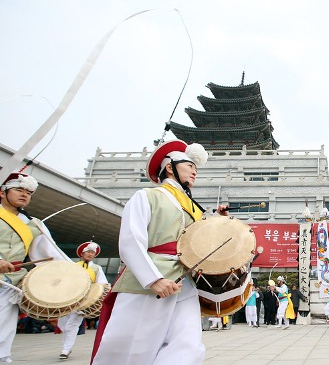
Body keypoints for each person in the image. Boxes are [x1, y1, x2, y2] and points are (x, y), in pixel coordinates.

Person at [92, 140, 225, 364]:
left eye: (196, 167)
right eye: (189, 164)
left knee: (189, 347)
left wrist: (217, 222)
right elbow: (130, 242)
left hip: (185, 283)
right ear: (170, 167)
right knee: (134, 351)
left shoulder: (194, 209)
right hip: (149, 282)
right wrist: (153, 279)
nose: (194, 170)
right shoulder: (146, 196)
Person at [0, 172, 69, 364]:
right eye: (19, 190)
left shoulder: (33, 224)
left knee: (3, 329)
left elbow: (53, 255)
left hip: (10, 283)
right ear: (2, 192)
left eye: (29, 192)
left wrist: (74, 277)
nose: (24, 195)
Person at [57, 241, 109, 360]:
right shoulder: (73, 265)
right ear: (82, 253)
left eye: (92, 253)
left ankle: (66, 349)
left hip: (84, 299)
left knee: (72, 325)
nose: (90, 254)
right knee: (63, 324)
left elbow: (102, 283)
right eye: (88, 252)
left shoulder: (97, 268)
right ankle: (65, 347)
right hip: (68, 297)